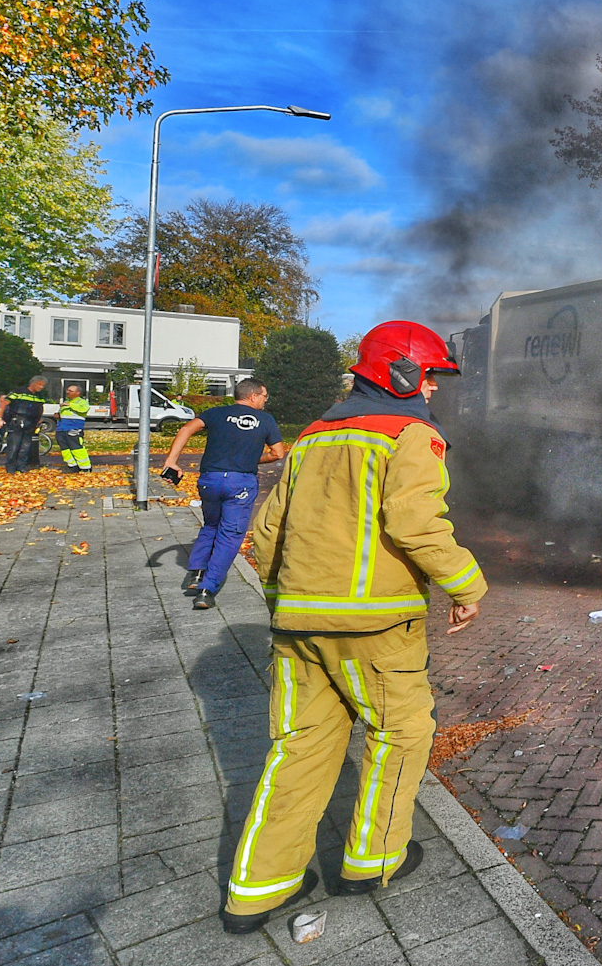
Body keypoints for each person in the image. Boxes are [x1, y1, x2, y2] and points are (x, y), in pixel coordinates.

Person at [222, 321, 486, 934]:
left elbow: (264, 533)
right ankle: (370, 861)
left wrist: (282, 603)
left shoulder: (312, 436)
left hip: (295, 625)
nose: (434, 391)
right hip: (375, 628)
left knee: (297, 748)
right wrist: (467, 585)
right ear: (402, 373)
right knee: (400, 734)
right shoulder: (411, 434)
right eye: (431, 377)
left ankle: (258, 889)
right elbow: (417, 523)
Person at [162, 378, 286, 610]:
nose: (265, 400)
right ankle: (208, 589)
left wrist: (172, 461)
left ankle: (196, 573)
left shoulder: (216, 413)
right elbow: (278, 453)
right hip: (240, 483)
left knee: (211, 525)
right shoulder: (265, 420)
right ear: (253, 396)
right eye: (264, 396)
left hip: (210, 480)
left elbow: (186, 429)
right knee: (230, 534)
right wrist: (251, 459)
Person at [0, 377, 47, 474]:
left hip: (31, 423)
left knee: (26, 446)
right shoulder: (18, 392)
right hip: (17, 421)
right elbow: (3, 404)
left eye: (43, 386)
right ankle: (11, 467)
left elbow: (40, 407)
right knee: (14, 445)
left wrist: (39, 419)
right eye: (39, 384)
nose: (41, 387)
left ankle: (21, 466)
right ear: (32, 383)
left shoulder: (40, 396)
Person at [54, 385, 92, 472]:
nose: (67, 392)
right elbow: (64, 415)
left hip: (74, 429)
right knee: (65, 449)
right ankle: (72, 466)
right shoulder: (66, 402)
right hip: (61, 428)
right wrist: (57, 416)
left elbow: (84, 409)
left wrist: (70, 405)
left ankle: (85, 468)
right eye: (67, 390)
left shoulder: (81, 402)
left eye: (70, 391)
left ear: (77, 393)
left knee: (77, 448)